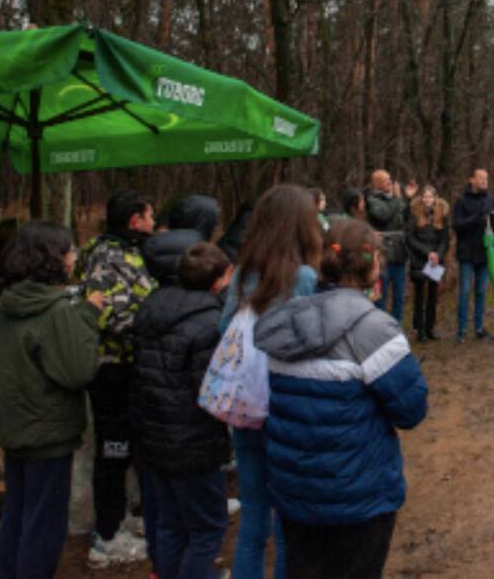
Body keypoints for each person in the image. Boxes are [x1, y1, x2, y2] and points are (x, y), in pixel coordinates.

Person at [253, 218, 428, 579]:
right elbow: (411, 410)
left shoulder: (288, 322)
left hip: (296, 491)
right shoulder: (374, 329)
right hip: (359, 498)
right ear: (372, 264)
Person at [220, 184, 322, 579]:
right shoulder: (305, 277)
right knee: (288, 524)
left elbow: (224, 327)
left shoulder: (245, 273)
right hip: (286, 407)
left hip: (245, 403)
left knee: (252, 520)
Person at [0, 222, 102, 579]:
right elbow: (76, 370)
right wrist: (88, 315)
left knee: (18, 514)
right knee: (44, 526)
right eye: (70, 250)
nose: (74, 257)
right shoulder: (55, 311)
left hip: (13, 427)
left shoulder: (6, 304)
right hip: (47, 433)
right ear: (54, 257)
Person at [133, 242, 233, 579]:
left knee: (170, 523)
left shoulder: (151, 307)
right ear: (219, 280)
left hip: (154, 434)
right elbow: (209, 391)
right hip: (193, 442)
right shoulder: (209, 325)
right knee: (207, 528)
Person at [80, 190, 157, 568]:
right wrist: (153, 330)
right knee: (112, 450)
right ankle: (106, 536)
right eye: (150, 216)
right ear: (134, 220)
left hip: (131, 368)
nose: (154, 224)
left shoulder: (130, 251)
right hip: (112, 369)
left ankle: (124, 516)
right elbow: (108, 313)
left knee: (127, 446)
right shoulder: (106, 256)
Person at [453, 169, 494, 343]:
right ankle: (461, 330)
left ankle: (479, 328)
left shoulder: (492, 200)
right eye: (481, 178)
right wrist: (476, 217)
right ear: (471, 180)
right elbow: (457, 225)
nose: (484, 181)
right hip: (466, 253)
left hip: (485, 253)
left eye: (486, 179)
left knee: (481, 292)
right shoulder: (461, 201)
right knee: (465, 292)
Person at [365, 169, 415, 323]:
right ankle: (380, 328)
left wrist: (407, 200)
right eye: (386, 180)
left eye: (390, 179)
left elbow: (403, 219)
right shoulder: (372, 200)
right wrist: (397, 198)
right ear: (377, 183)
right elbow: (384, 215)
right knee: (381, 296)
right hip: (383, 256)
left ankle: (396, 328)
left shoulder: (395, 199)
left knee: (399, 296)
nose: (390, 182)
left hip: (399, 254)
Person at [405, 186, 450, 343]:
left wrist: (438, 254)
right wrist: (427, 253)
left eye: (430, 197)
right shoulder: (414, 215)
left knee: (433, 294)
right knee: (419, 295)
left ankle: (430, 327)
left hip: (435, 261)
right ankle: (420, 329)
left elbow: (445, 239)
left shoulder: (442, 216)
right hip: (420, 259)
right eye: (424, 197)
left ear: (435, 198)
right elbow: (410, 238)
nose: (427, 200)